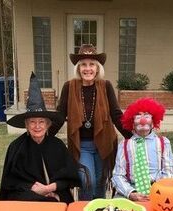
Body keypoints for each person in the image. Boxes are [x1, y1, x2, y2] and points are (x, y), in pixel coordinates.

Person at [50, 44, 132, 200]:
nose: (88, 69)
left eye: (92, 64)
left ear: (98, 67)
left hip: (104, 143)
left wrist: (132, 136)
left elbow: (116, 114)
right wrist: (46, 135)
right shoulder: (69, 87)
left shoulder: (105, 86)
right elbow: (60, 115)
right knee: (88, 181)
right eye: (83, 65)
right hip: (82, 145)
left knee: (101, 182)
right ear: (78, 68)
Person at [0, 72, 84, 204]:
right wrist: (33, 189)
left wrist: (50, 188)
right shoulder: (16, 147)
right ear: (26, 125)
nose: (37, 126)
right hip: (28, 196)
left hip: (57, 192)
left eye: (41, 122)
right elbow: (10, 182)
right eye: (32, 122)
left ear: (48, 124)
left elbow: (70, 177)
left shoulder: (58, 146)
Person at [112, 97, 173, 201]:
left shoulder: (163, 142)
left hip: (158, 189)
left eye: (147, 116)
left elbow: (169, 171)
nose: (142, 120)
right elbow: (118, 175)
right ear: (132, 124)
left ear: (153, 122)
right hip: (131, 189)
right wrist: (131, 193)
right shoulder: (124, 145)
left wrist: (159, 190)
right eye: (137, 117)